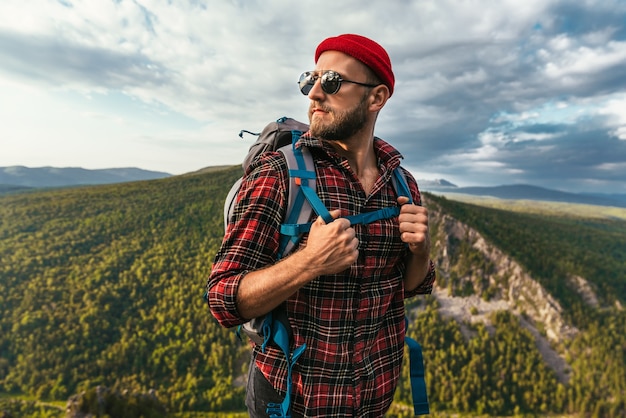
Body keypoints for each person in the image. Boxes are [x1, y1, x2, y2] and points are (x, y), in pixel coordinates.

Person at [207, 33, 436, 417]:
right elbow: (222, 300)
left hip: (374, 399)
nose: (313, 93)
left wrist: (421, 250)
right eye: (309, 80)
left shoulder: (401, 182)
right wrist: (310, 261)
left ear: (376, 97)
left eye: (331, 82)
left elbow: (412, 286)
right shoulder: (279, 175)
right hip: (293, 403)